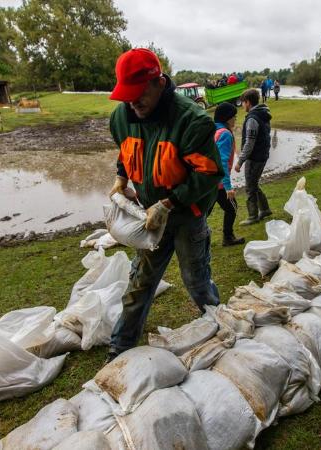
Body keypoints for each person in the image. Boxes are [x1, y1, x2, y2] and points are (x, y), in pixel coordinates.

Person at [107, 48, 224, 361]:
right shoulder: (122, 116)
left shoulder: (191, 121)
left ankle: (222, 325)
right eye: (126, 96)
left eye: (138, 95)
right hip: (150, 218)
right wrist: (121, 177)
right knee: (140, 283)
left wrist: (168, 204)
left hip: (187, 216)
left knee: (196, 281)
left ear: (158, 82)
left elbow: (210, 174)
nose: (133, 103)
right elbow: (125, 150)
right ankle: (120, 346)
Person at [235, 88, 272, 225]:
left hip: (255, 157)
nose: (242, 105)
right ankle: (265, 209)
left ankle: (252, 216)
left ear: (248, 102)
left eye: (243, 103)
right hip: (263, 154)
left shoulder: (252, 118)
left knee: (250, 187)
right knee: (254, 184)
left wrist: (240, 161)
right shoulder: (263, 113)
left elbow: (249, 143)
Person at [209, 102, 245, 246]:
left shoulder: (214, 131)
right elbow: (222, 162)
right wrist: (228, 187)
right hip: (218, 183)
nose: (235, 119)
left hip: (208, 181)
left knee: (204, 213)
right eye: (233, 117)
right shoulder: (225, 134)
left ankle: (195, 238)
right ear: (227, 118)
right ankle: (228, 238)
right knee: (232, 207)